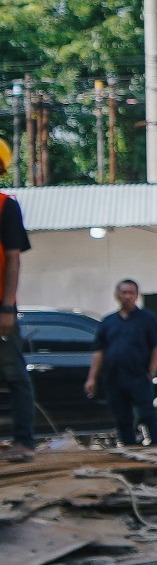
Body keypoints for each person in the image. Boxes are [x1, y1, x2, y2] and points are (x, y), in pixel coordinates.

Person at [88, 278, 157, 445]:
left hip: (138, 376)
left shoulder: (147, 319)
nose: (127, 296)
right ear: (117, 295)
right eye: (124, 293)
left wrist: (152, 371)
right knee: (122, 418)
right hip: (114, 378)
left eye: (131, 293)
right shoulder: (108, 322)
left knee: (147, 414)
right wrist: (92, 378)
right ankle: (130, 451)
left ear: (137, 295)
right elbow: (99, 351)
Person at [1, 140, 32, 460]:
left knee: (14, 374)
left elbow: (13, 258)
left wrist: (7, 306)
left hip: (1, 308)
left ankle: (24, 442)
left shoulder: (5, 206)